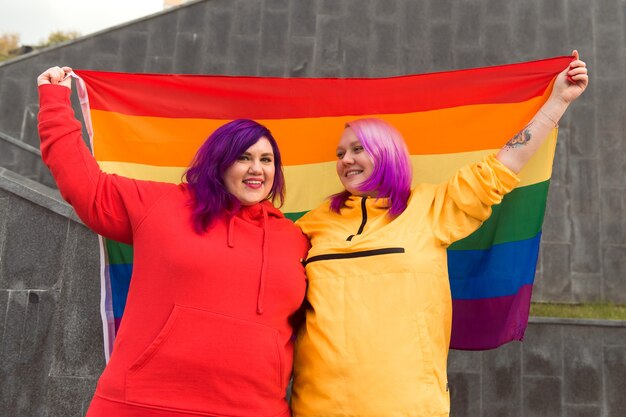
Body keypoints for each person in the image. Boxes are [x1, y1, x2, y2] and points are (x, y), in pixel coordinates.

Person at [290, 51, 588, 417]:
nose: (345, 159)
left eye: (357, 149)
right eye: (340, 153)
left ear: (387, 154)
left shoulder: (431, 207)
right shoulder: (312, 224)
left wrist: (557, 102)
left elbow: (501, 168)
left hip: (409, 407)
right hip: (316, 408)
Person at [37, 66, 309, 417]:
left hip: (255, 409)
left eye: (267, 159)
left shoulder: (296, 239)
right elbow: (84, 185)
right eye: (244, 157)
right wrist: (55, 101)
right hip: (144, 402)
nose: (257, 168)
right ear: (219, 162)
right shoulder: (161, 204)